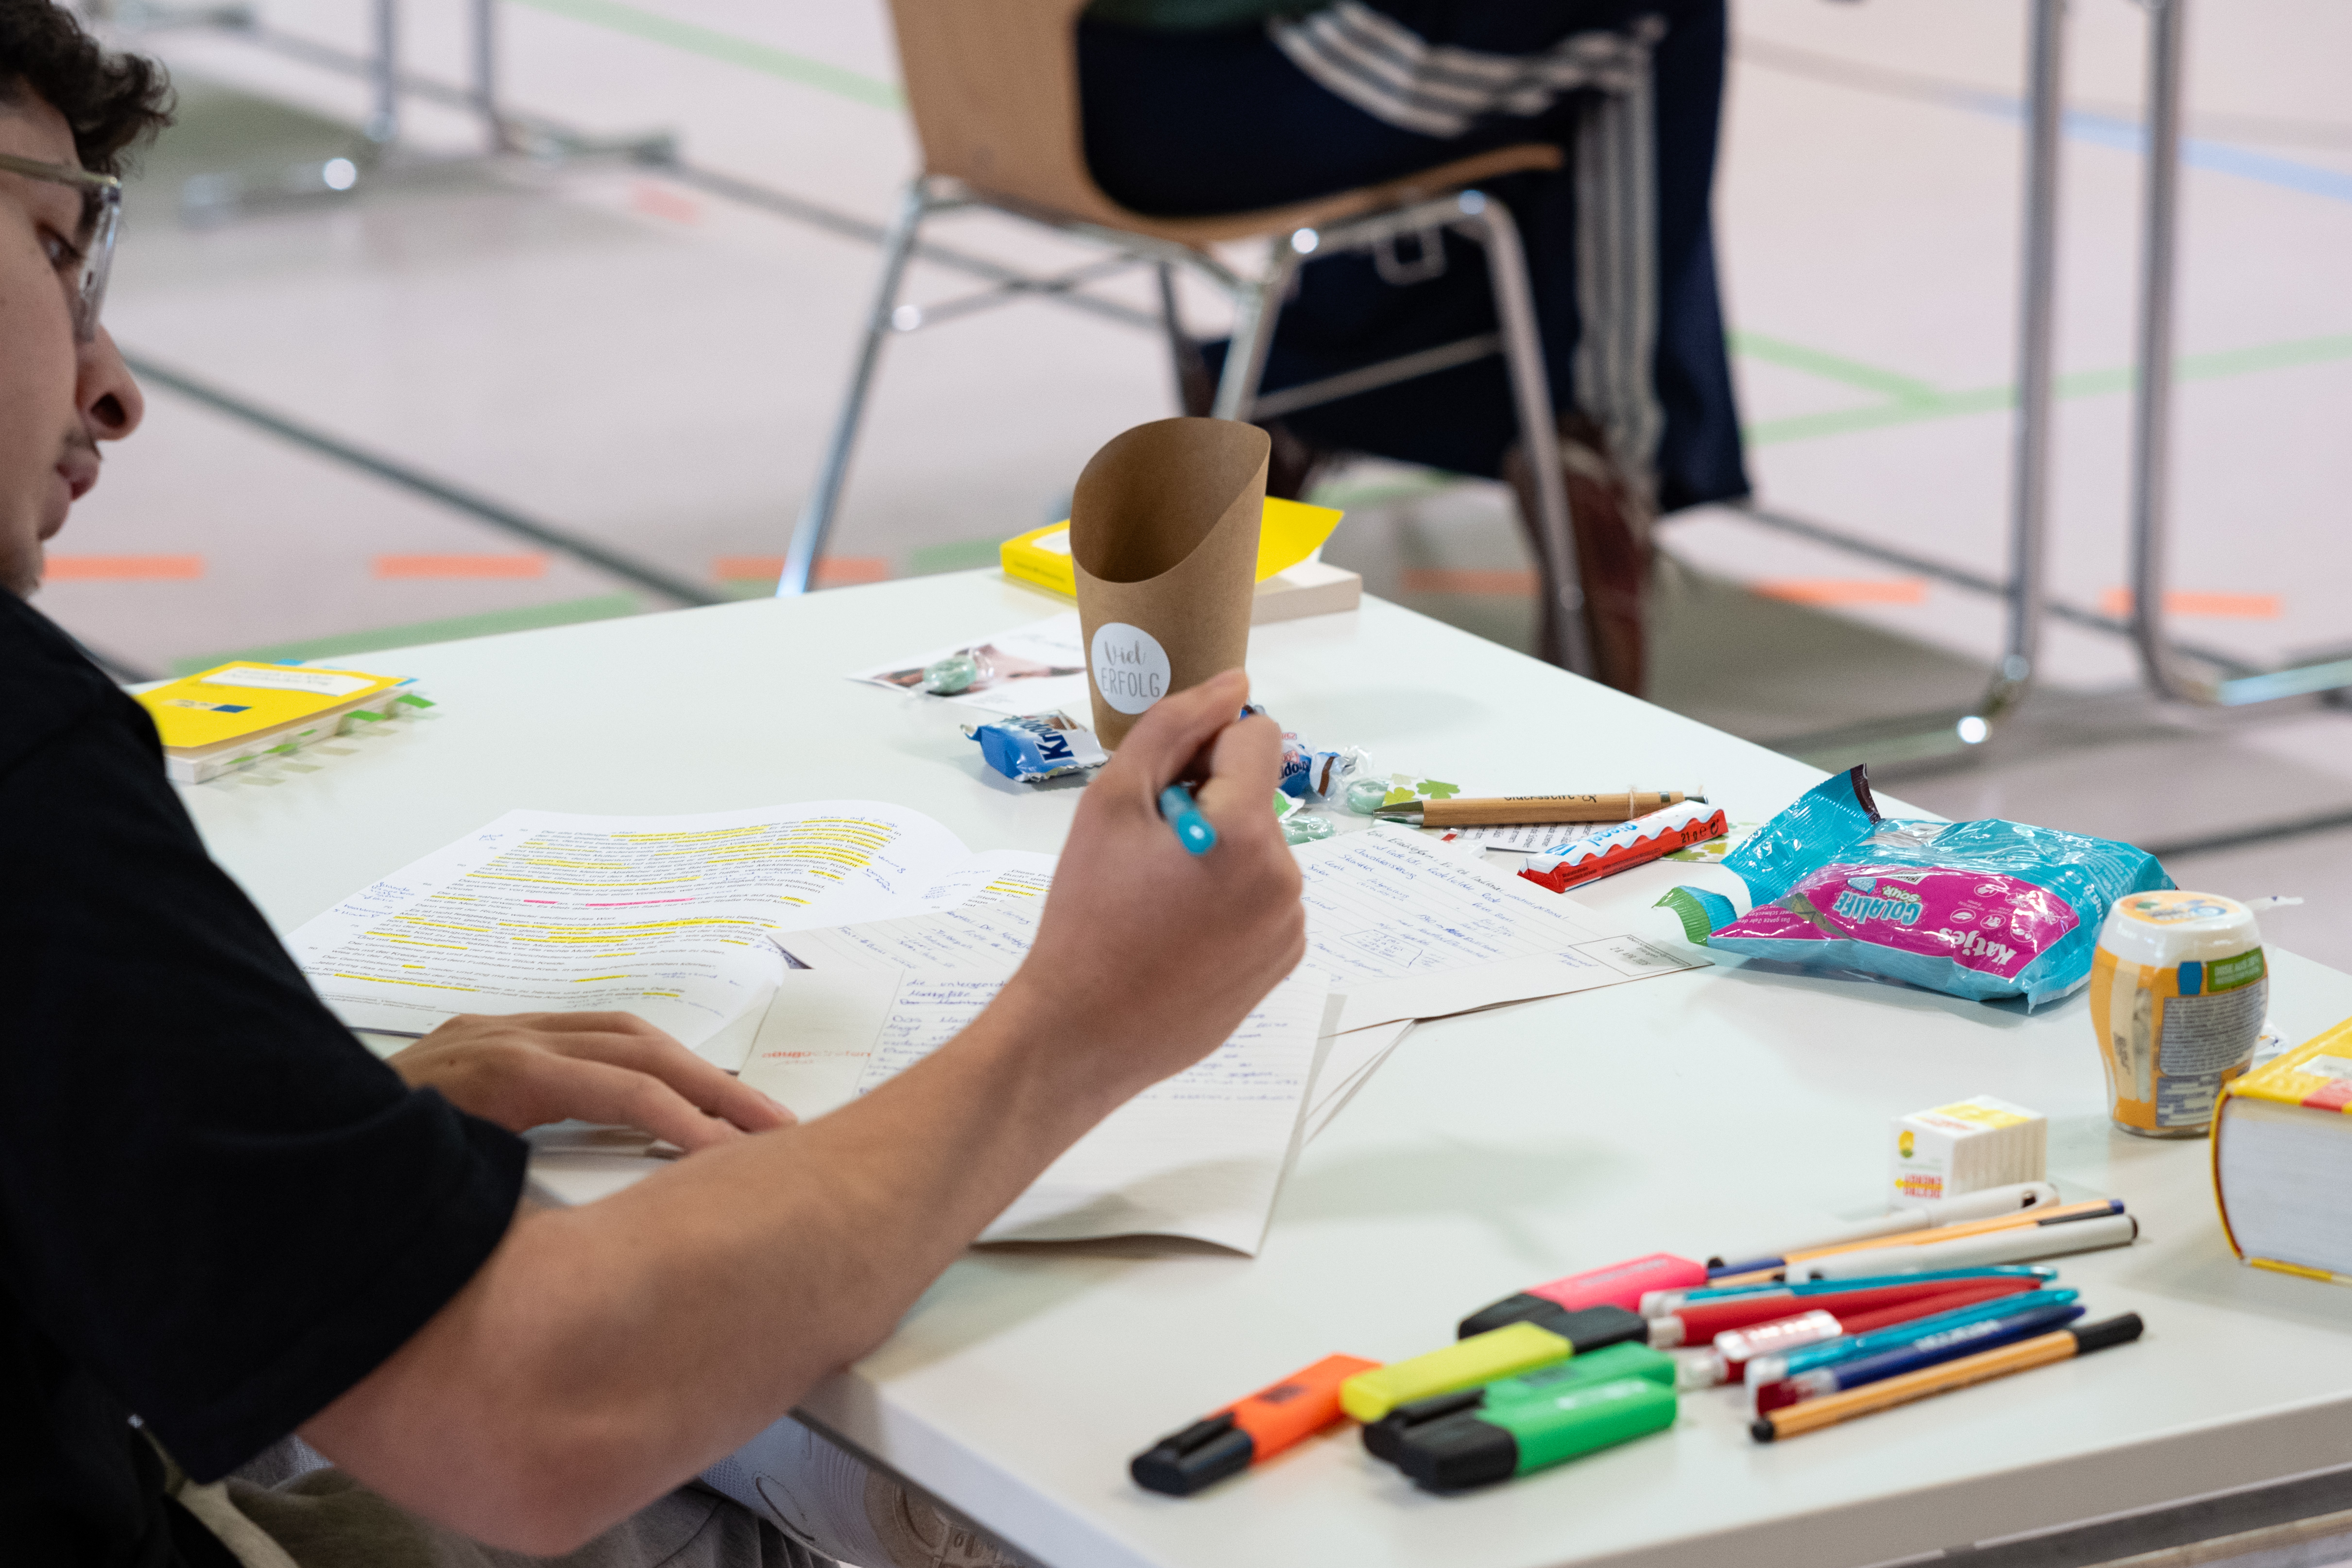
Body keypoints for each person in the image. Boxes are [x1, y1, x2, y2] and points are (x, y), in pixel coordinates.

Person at [0, 7, 1305, 1566]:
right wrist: (1080, 1023)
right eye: (57, 249)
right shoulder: (27, 763)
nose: (111, 382)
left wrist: (300, 1164)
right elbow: (525, 1415)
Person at [1079, 0, 1751, 693]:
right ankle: (1595, 465)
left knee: (1544, 47)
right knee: (1649, 21)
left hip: (1023, 89)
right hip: (1191, 91)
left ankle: (1311, 372)